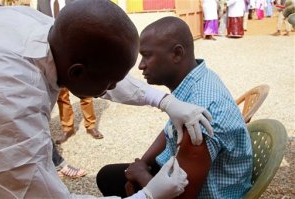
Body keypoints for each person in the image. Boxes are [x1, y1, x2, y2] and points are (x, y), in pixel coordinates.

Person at [0, 0, 213, 198]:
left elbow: (99, 69)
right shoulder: (13, 102)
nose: (112, 89)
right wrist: (148, 196)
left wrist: (165, 101)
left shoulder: (38, 27)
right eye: (110, 84)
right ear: (77, 73)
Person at [96, 16, 252, 198]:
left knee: (113, 181)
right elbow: (170, 130)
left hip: (206, 192)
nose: (141, 66)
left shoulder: (198, 118)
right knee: (108, 176)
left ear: (177, 54)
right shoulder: (195, 80)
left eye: (147, 55)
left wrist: (142, 176)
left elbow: (182, 197)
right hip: (181, 171)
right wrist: (142, 163)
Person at [37, 0, 104, 144]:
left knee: (86, 92)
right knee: (62, 95)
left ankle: (91, 126)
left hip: (77, 53)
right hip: (54, 54)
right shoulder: (42, 2)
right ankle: (68, 128)